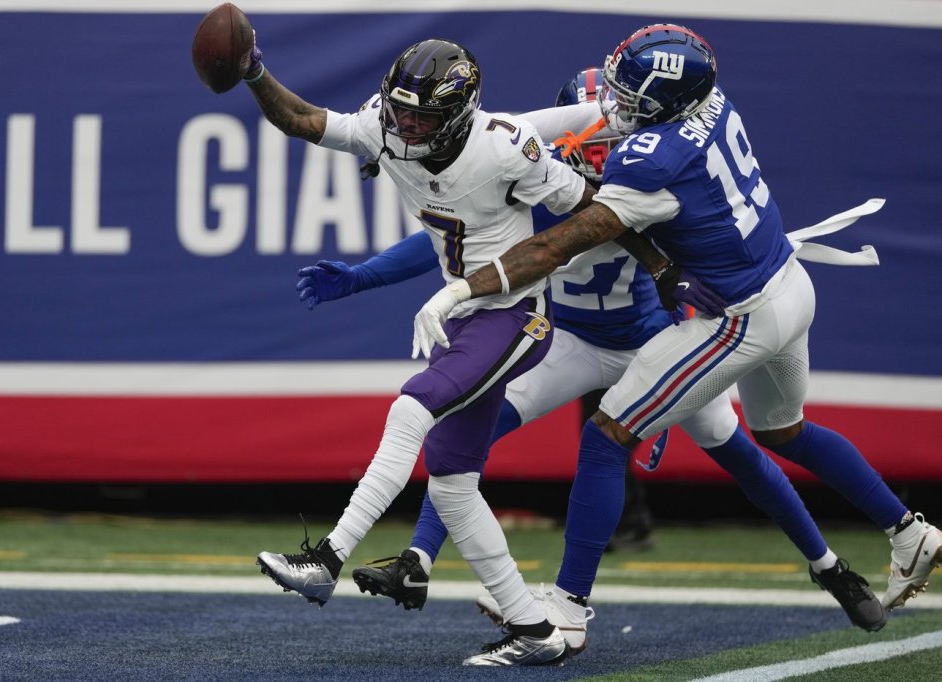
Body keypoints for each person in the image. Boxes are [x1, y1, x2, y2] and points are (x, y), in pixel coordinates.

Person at [298, 68, 887, 653]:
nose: (604, 152)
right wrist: (360, 277)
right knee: (465, 429)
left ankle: (829, 566)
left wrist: (664, 390)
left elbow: (694, 266)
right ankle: (419, 559)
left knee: (737, 450)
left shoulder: (649, 189)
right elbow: (441, 238)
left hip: (653, 345)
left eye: (614, 138)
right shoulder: (542, 182)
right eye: (597, 139)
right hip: (572, 340)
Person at [411, 25, 942, 627]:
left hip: (736, 318)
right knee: (784, 433)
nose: (613, 110)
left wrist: (462, 287)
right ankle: (907, 530)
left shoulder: (644, 164)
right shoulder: (712, 101)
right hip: (789, 284)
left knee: (606, 436)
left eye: (628, 96)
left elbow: (556, 245)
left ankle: (569, 605)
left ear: (664, 101)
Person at [222, 28, 689, 666]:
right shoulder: (384, 126)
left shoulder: (505, 148)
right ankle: (535, 630)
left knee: (410, 410)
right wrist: (254, 71)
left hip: (514, 313)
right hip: (467, 317)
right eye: (400, 110)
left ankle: (327, 559)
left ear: (457, 116)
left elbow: (591, 208)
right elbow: (304, 119)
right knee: (451, 485)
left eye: (421, 116)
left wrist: (659, 264)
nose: (405, 125)